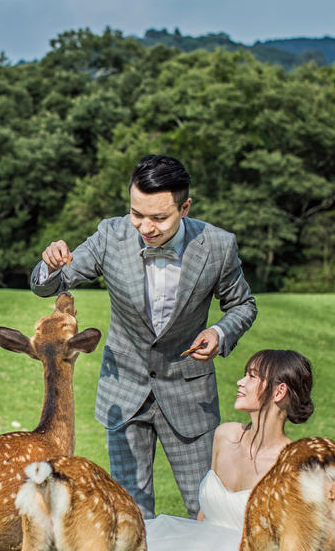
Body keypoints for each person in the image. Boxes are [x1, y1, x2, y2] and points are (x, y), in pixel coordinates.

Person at [30, 154, 257, 518]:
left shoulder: (218, 245)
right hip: (125, 395)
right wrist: (50, 264)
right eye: (137, 214)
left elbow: (243, 305)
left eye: (158, 218)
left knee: (209, 510)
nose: (145, 227)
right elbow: (53, 284)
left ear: (185, 207)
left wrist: (218, 332)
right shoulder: (110, 235)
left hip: (189, 397)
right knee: (130, 514)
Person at [144, 349, 315, 549]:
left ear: (279, 392)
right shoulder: (225, 436)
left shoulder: (289, 465)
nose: (240, 382)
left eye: (252, 376)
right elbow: (204, 513)